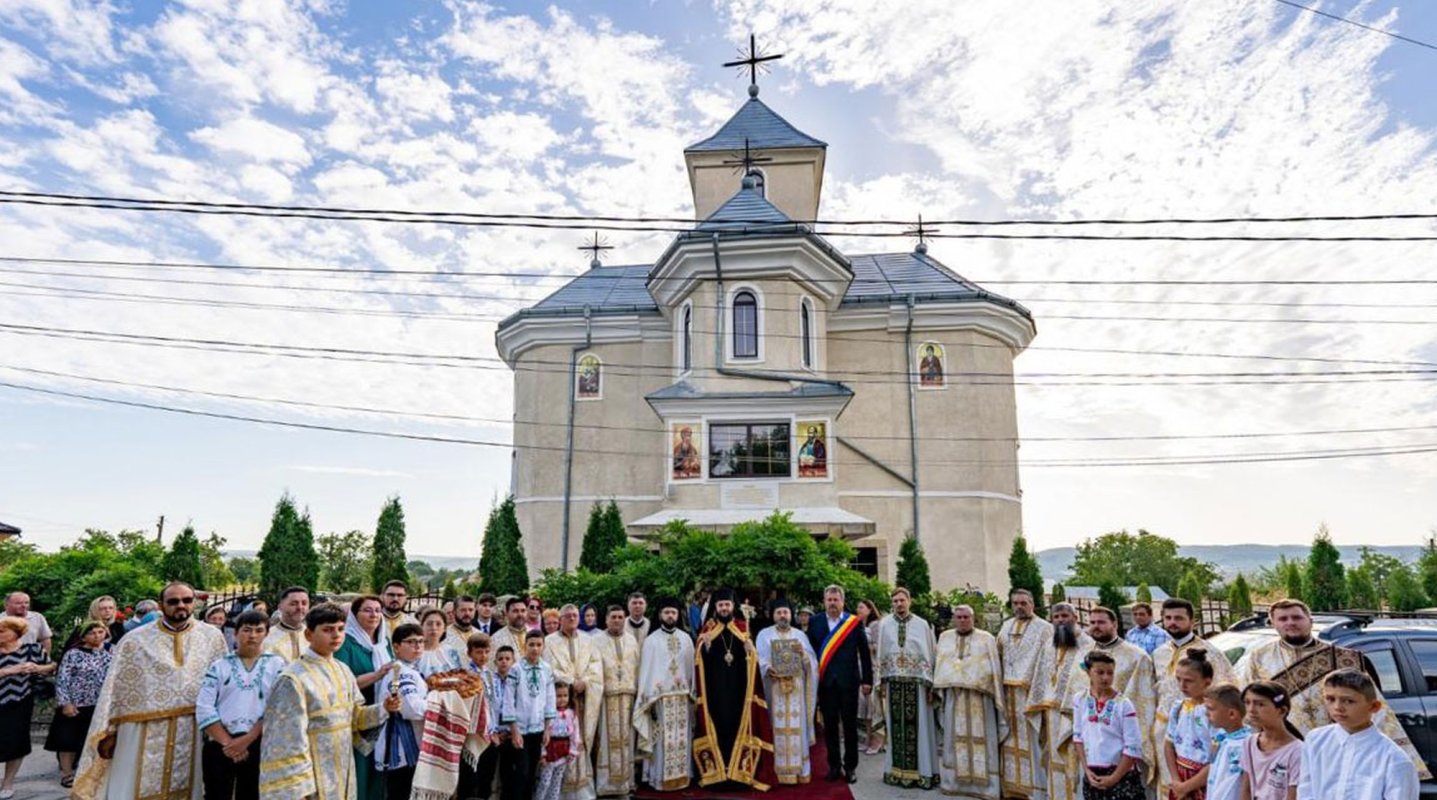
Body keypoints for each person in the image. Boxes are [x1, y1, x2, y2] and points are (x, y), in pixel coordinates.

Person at [1234, 599, 1426, 777]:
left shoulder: (1345, 658)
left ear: (1310, 621)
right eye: (1283, 619)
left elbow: (1373, 706)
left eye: (1297, 617)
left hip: (1339, 749)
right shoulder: (1259, 658)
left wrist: (1394, 763)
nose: (1290, 623)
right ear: (1273, 623)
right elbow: (1248, 708)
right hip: (1282, 751)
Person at [73, 582, 228, 800]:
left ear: (194, 603)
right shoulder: (134, 640)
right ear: (161, 605)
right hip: (139, 727)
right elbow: (114, 690)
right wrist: (110, 731)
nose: (181, 605)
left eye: (187, 600)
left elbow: (222, 683)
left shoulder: (212, 637)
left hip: (192, 726)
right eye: (173, 601)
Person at [258, 602, 398, 800]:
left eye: (341, 629)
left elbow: (355, 717)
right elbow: (286, 740)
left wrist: (383, 708)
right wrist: (299, 790)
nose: (336, 635)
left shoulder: (343, 670)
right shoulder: (293, 678)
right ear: (309, 635)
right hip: (312, 775)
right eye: (328, 630)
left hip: (342, 765)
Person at [196, 610, 285, 800]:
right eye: (246, 630)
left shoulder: (277, 665)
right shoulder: (219, 666)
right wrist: (229, 744)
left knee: (253, 794)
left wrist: (246, 740)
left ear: (266, 633)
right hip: (220, 743)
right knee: (216, 794)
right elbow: (204, 706)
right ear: (235, 633)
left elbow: (277, 707)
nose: (252, 636)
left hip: (259, 742)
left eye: (259, 630)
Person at [1154, 598, 1236, 796]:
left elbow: (1228, 691)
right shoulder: (1159, 652)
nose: (1173, 622)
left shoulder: (1211, 654)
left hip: (1204, 729)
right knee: (1169, 787)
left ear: (1192, 621)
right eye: (1168, 618)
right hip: (1165, 729)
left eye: (1179, 618)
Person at [1297, 669, 1419, 800]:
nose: (1337, 707)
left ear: (1374, 707)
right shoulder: (1315, 740)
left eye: (1348, 701)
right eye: (1330, 699)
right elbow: (1306, 790)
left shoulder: (1393, 759)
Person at [932, 604, 1005, 799]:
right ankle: (953, 783)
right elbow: (941, 665)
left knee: (984, 739)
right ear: (954, 619)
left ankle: (986, 788)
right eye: (959, 617)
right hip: (954, 698)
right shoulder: (945, 637)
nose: (963, 620)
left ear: (973, 619)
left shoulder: (987, 639)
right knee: (952, 740)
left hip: (980, 699)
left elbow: (994, 671)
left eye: (966, 617)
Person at [1027, 602, 1095, 800]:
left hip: (1075, 713)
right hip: (1050, 712)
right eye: (1056, 617)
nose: (1060, 620)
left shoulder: (1088, 644)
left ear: (1074, 618)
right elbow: (1040, 674)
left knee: (1076, 756)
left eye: (1065, 616)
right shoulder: (1049, 645)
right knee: (1053, 758)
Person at [1086, 606, 1158, 790]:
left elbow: (1143, 701)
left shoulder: (1137, 656)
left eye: (1101, 622)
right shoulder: (1085, 654)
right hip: (1092, 738)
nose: (1096, 626)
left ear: (1115, 624)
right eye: (1092, 622)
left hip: (1122, 737)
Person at [806, 584, 872, 785]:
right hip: (825, 684)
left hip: (849, 683)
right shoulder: (815, 621)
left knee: (850, 726)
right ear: (824, 601)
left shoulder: (853, 622)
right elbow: (809, 652)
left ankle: (850, 767)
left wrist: (867, 679)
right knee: (830, 727)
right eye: (829, 600)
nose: (832, 603)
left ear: (842, 601)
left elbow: (864, 652)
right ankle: (834, 766)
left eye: (836, 600)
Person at [875, 587, 939, 788]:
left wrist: (931, 686)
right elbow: (881, 655)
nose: (899, 604)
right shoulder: (884, 625)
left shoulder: (922, 625)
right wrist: (881, 682)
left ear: (909, 601)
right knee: (896, 730)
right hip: (894, 684)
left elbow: (930, 654)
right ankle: (896, 771)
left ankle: (923, 772)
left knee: (920, 728)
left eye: (902, 600)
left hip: (917, 685)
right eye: (895, 601)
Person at [334, 595, 393, 800]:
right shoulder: (346, 642)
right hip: (357, 717)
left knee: (379, 769)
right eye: (367, 610)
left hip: (384, 713)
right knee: (360, 770)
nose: (374, 615)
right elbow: (343, 682)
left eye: (378, 610)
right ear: (354, 614)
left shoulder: (384, 642)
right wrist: (378, 675)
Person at [634, 597, 695, 792]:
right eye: (667, 612)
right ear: (660, 614)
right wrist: (648, 698)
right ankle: (659, 778)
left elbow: (691, 669)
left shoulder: (686, 639)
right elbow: (647, 671)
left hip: (683, 698)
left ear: (678, 615)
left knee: (682, 737)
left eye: (673, 612)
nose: (670, 616)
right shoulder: (651, 641)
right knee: (662, 739)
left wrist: (693, 693)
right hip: (659, 699)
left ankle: (682, 776)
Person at [997, 588, 1053, 799]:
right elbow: (998, 654)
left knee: (1033, 741)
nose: (1019, 607)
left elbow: (1050, 662)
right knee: (1009, 740)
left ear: (1032, 604)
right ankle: (1011, 787)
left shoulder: (1045, 629)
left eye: (1023, 603)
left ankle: (1036, 790)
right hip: (1008, 694)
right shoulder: (1005, 626)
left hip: (1031, 696)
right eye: (1015, 603)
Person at [755, 598, 817, 786]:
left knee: (797, 728)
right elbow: (758, 659)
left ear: (791, 615)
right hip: (774, 690)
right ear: (773, 615)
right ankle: (777, 771)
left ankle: (800, 771)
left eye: (786, 612)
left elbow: (813, 664)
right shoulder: (764, 635)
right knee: (775, 726)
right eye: (779, 612)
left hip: (796, 690)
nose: (783, 615)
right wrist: (766, 668)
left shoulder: (800, 635)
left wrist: (804, 655)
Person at [1072, 651, 1145, 800]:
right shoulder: (1080, 700)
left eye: (1110, 673)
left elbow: (1133, 747)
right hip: (1093, 774)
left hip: (1122, 775)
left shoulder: (1124, 704)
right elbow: (1078, 736)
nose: (1106, 677)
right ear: (1088, 672)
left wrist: (1114, 778)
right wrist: (1086, 770)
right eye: (1100, 672)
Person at [47, 621, 111, 789]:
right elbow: (62, 679)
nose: (97, 636)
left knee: (94, 740)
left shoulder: (109, 653)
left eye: (100, 632)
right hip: (75, 704)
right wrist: (65, 702)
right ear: (83, 636)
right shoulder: (73, 654)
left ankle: (91, 773)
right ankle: (67, 774)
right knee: (67, 740)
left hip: (98, 704)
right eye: (92, 633)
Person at [0, 615, 56, 798]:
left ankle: (8, 782)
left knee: (17, 742)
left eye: (2, 631)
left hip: (20, 701)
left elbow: (51, 666)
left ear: (16, 634)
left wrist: (38, 668)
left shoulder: (33, 649)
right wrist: (10, 670)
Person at [545, 604, 604, 763]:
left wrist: (584, 682)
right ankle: (562, 782)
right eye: (568, 615)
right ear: (560, 620)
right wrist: (571, 683)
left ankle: (584, 781)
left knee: (583, 735)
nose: (572, 618)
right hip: (562, 699)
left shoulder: (588, 640)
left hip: (585, 697)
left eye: (575, 616)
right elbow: (549, 668)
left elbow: (596, 664)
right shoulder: (549, 641)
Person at [376, 623, 427, 800]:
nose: (418, 646)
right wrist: (438, 706)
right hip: (402, 747)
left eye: (421, 642)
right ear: (396, 647)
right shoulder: (400, 672)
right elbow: (412, 709)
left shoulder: (409, 669)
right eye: (411, 642)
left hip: (410, 745)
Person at [594, 606, 640, 797]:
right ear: (606, 620)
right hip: (607, 698)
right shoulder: (596, 641)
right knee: (606, 741)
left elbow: (637, 666)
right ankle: (606, 786)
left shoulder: (631, 640)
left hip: (628, 697)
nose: (617, 620)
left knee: (626, 741)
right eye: (613, 617)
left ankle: (626, 783)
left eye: (621, 617)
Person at [506, 630, 558, 800]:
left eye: (538, 645)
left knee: (532, 774)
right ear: (524, 646)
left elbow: (550, 699)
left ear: (543, 647)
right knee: (521, 771)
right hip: (520, 729)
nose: (535, 649)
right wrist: (514, 730)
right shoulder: (516, 669)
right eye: (531, 645)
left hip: (538, 729)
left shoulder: (547, 669)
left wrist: (547, 729)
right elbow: (508, 700)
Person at [1164, 649, 1217, 800]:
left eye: (1188, 681)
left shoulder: (1214, 712)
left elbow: (1218, 757)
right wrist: (1176, 781)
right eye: (1178, 679)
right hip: (1180, 778)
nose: (1182, 685)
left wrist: (1187, 786)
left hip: (1205, 779)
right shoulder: (1178, 708)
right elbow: (1168, 745)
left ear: (1207, 681)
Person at [1238, 681, 1303, 800]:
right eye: (1247, 703)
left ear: (1282, 711)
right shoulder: (1249, 742)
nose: (1251, 710)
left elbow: (1293, 795)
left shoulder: (1297, 751)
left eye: (1260, 704)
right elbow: (1247, 788)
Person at [534, 681, 586, 800]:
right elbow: (542, 734)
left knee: (557, 782)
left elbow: (575, 734)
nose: (562, 699)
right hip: (550, 751)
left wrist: (572, 751)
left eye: (565, 696)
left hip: (564, 751)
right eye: (558, 696)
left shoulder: (572, 714)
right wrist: (542, 753)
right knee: (545, 782)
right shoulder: (548, 714)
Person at [1201, 683, 1248, 800]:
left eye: (1211, 709)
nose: (1206, 714)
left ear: (1232, 714)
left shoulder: (1242, 745)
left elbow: (1232, 785)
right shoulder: (1221, 735)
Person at [855, 598, 886, 755]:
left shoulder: (875, 625)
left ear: (869, 609)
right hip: (861, 669)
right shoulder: (860, 626)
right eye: (857, 608)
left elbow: (878, 647)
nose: (858, 610)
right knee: (864, 707)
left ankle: (878, 741)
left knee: (875, 707)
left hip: (874, 669)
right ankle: (866, 739)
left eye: (861, 607)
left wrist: (861, 646)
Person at [262, 587, 310, 662]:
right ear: (280, 607)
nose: (300, 607)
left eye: (304, 603)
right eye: (293, 604)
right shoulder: (266, 637)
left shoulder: (313, 636)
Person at [418, 606, 464, 677]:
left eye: (438, 624)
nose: (434, 628)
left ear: (444, 628)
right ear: (422, 626)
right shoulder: (415, 653)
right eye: (429, 624)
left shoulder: (450, 651)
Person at [2, 591, 52, 657]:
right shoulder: (1, 619)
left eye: (26, 603)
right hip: (5, 660)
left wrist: (44, 657)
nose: (24, 606)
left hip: (31, 660)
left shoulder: (37, 617)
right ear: (6, 605)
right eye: (18, 603)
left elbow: (45, 639)